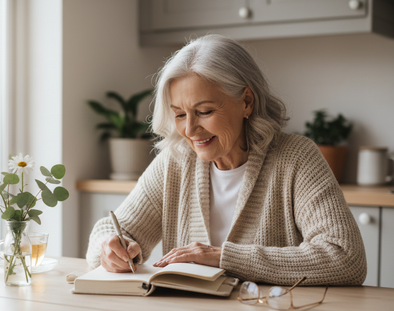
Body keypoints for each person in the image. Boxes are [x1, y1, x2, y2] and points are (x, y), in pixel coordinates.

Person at [86, 34, 366, 286]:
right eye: (180, 115)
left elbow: (345, 258)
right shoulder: (175, 161)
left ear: (246, 102)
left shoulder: (296, 158)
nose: (190, 130)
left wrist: (223, 258)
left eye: (205, 111)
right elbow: (110, 229)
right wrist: (111, 248)